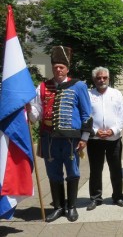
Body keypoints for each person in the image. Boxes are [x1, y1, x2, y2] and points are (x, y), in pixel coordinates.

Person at [28, 46, 93, 222]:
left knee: (73, 171)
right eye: (56, 66)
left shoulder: (78, 86)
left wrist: (84, 138)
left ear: (67, 68)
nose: (58, 69)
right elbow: (37, 113)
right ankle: (58, 207)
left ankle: (71, 207)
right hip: (49, 139)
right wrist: (29, 109)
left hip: (71, 140)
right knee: (53, 173)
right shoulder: (42, 87)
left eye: (61, 66)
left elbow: (87, 114)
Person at [86, 67, 123, 211]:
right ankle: (95, 198)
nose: (101, 80)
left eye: (104, 77)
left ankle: (118, 196)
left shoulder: (116, 94)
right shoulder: (88, 95)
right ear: (94, 79)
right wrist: (96, 132)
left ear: (108, 78)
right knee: (95, 170)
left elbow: (122, 116)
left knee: (116, 169)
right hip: (95, 139)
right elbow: (85, 116)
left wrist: (113, 130)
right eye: (98, 78)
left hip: (113, 139)